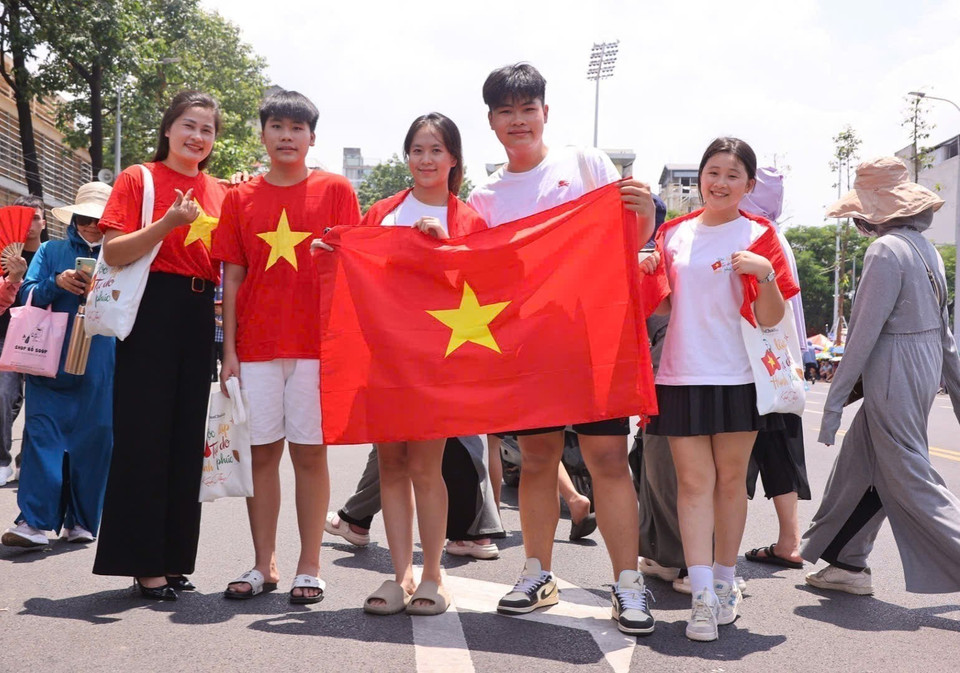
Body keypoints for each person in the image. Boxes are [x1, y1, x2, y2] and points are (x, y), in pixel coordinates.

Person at [466, 63, 657, 635]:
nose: (518, 121)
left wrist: (647, 216)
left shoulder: (586, 163)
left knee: (608, 460)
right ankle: (536, 573)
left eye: (528, 109)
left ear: (545, 112)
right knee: (538, 460)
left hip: (593, 336)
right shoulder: (484, 196)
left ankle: (628, 582)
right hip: (527, 345)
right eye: (506, 111)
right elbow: (478, 275)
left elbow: (625, 241)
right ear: (491, 121)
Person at [334, 112, 486, 616]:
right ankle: (401, 574)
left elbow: (485, 287)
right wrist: (331, 253)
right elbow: (358, 274)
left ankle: (434, 575)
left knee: (425, 466)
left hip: (436, 358)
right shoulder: (382, 212)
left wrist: (446, 250)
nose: (426, 159)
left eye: (436, 150)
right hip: (383, 355)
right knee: (392, 465)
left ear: (453, 158)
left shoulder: (468, 220)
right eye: (417, 149)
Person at [214, 90, 361, 605]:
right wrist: (228, 351)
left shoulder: (337, 190)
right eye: (276, 126)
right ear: (263, 135)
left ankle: (309, 566)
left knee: (310, 455)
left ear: (312, 138)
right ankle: (263, 563)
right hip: (254, 347)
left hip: (317, 348)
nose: (286, 136)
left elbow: (356, 264)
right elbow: (232, 278)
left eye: (297, 128)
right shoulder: (239, 198)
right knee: (261, 456)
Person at [650, 137, 797, 642]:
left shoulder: (760, 235)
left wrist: (766, 276)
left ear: (749, 185)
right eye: (712, 172)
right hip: (681, 373)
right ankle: (702, 596)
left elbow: (771, 318)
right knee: (693, 485)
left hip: (739, 375)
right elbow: (661, 307)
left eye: (733, 175)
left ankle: (725, 581)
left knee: (731, 482)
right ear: (700, 178)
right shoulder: (672, 234)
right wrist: (644, 273)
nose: (720, 183)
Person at [801, 156, 960, 595]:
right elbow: (945, 335)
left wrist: (832, 408)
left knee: (910, 479)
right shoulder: (926, 249)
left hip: (892, 372)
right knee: (858, 470)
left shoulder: (885, 250)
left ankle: (848, 563)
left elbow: (862, 337)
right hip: (919, 371)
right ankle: (846, 563)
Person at [92, 90, 228, 601]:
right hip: (149, 308)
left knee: (187, 440)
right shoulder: (139, 178)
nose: (197, 136)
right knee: (143, 435)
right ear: (168, 128)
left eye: (207, 130)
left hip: (200, 314)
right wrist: (169, 223)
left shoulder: (221, 191)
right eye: (189, 125)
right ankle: (142, 562)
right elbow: (113, 251)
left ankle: (173, 560)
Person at [1, 183, 115, 548]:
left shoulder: (122, 254)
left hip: (101, 359)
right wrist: (57, 282)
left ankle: (81, 520)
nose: (92, 225)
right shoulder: (51, 250)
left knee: (94, 439)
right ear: (74, 218)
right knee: (41, 435)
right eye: (85, 218)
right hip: (47, 356)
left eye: (100, 219)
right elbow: (26, 293)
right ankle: (32, 522)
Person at [737, 167, 810, 571]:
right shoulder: (777, 234)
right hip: (781, 360)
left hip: (751, 356)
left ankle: (714, 545)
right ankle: (789, 540)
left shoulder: (753, 234)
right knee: (779, 445)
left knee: (734, 450)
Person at [0, 195, 45, 487]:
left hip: (44, 336)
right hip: (5, 334)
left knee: (41, 403)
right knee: (3, 396)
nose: (30, 223)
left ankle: (26, 459)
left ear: (44, 222)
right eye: (25, 217)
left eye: (36, 217)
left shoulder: (51, 253)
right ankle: (2, 459)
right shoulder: (4, 254)